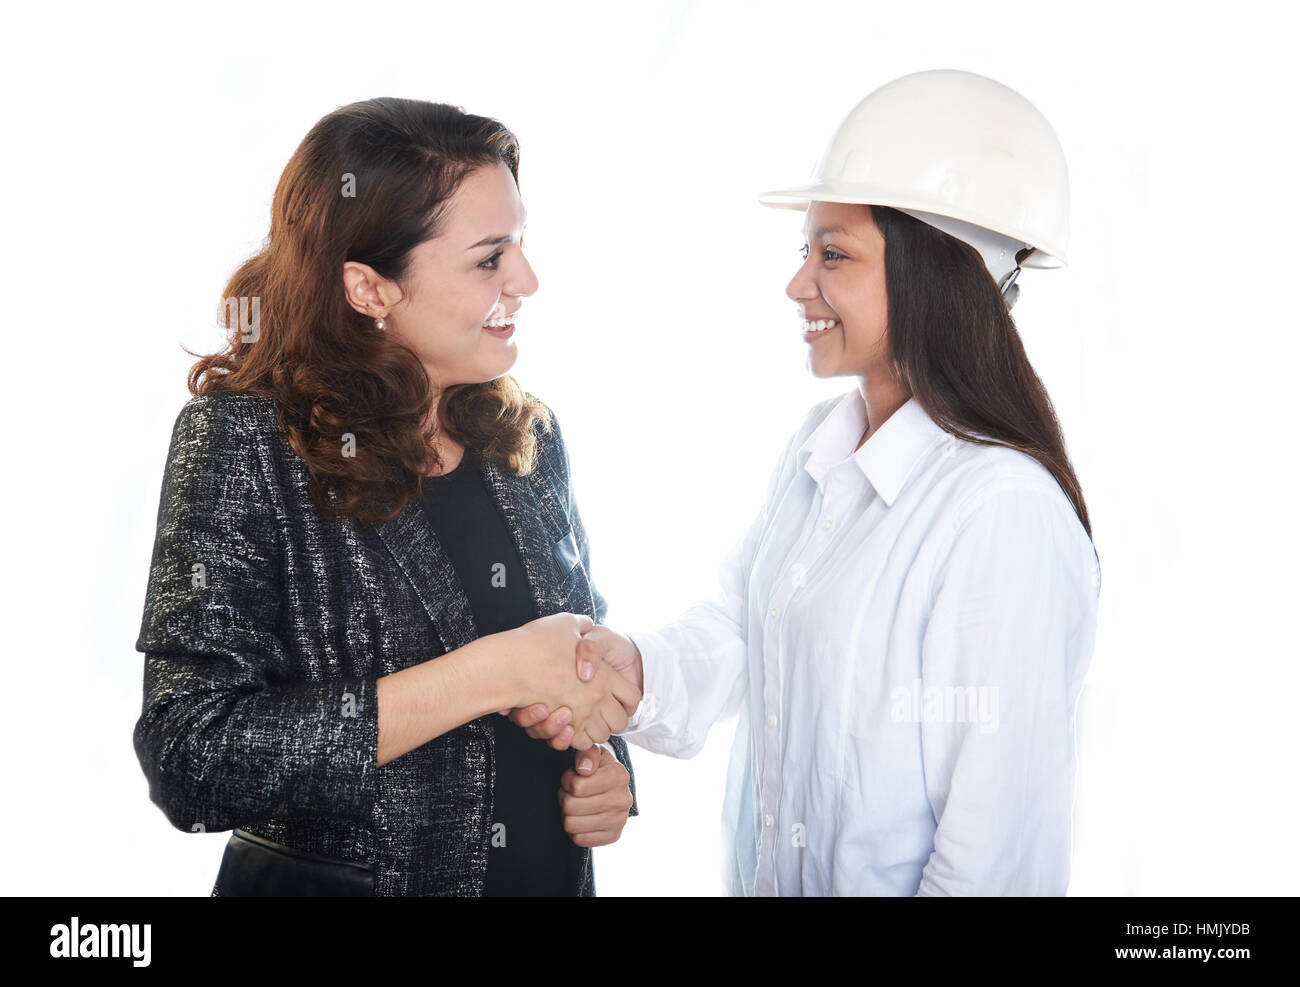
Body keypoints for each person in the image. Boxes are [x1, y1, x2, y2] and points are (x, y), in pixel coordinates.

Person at [514, 70, 1101, 896]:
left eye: (835, 255)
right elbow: (748, 626)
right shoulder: (818, 452)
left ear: (939, 278)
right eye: (807, 252)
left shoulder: (1000, 513)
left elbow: (993, 856)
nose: (800, 285)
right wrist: (632, 669)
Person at [133, 97, 639, 896]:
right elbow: (194, 758)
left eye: (521, 244)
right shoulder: (244, 441)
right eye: (489, 258)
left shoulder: (525, 438)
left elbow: (574, 657)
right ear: (369, 288)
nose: (527, 280)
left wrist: (605, 767)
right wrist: (489, 673)